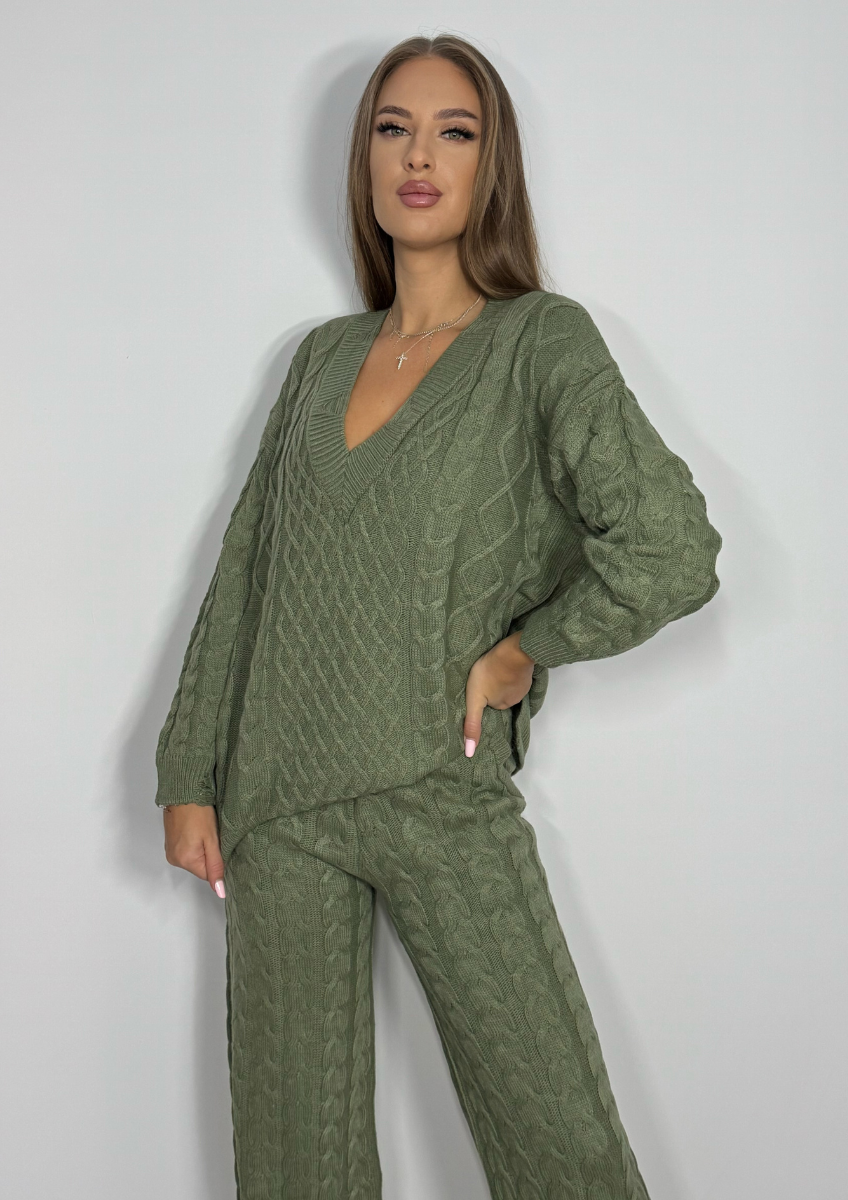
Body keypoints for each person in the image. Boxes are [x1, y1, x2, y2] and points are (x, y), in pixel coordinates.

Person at [155, 32, 721, 1200]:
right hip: (277, 807)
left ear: (488, 165)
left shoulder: (537, 341)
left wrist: (525, 651)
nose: (418, 156)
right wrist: (187, 773)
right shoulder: (318, 360)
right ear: (363, 159)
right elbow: (248, 571)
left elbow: (670, 551)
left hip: (436, 790)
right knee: (292, 1172)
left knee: (558, 1147)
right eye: (392, 129)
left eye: (452, 132)